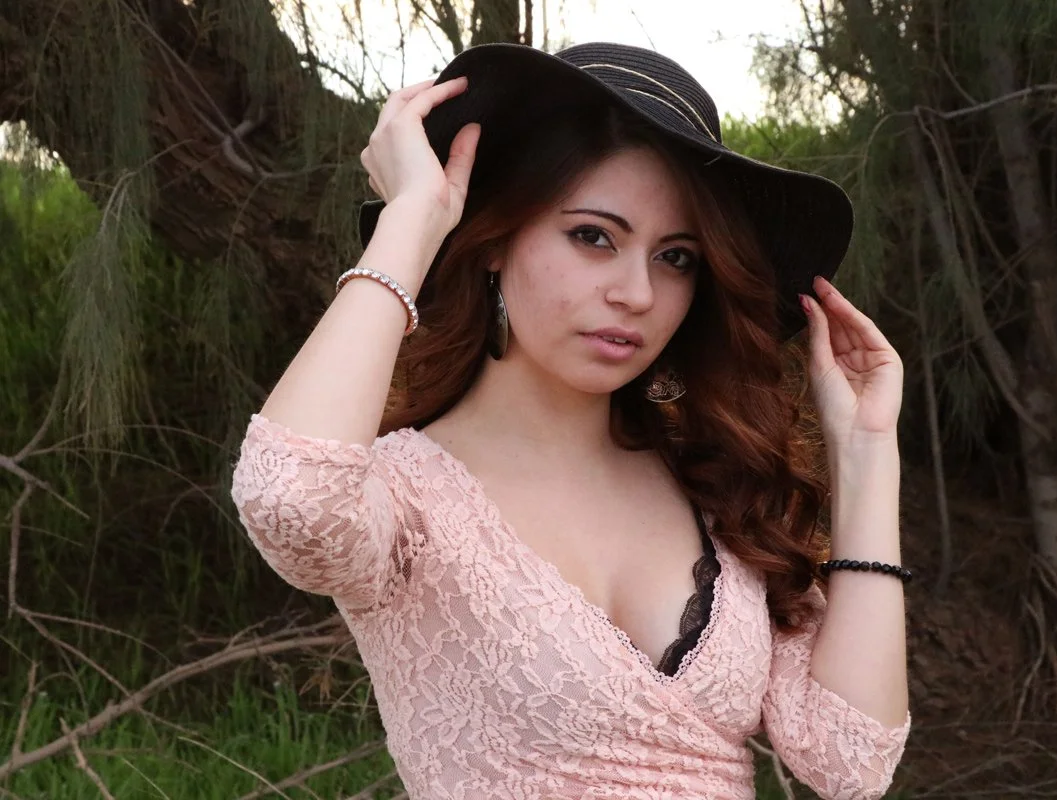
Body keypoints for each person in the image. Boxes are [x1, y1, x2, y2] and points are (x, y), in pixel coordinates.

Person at [230, 41, 911, 800]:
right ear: (495, 240)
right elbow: (288, 495)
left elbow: (851, 762)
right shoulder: (401, 499)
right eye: (593, 236)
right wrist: (413, 221)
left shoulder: (716, 491)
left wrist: (866, 453)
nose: (636, 293)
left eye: (675, 258)